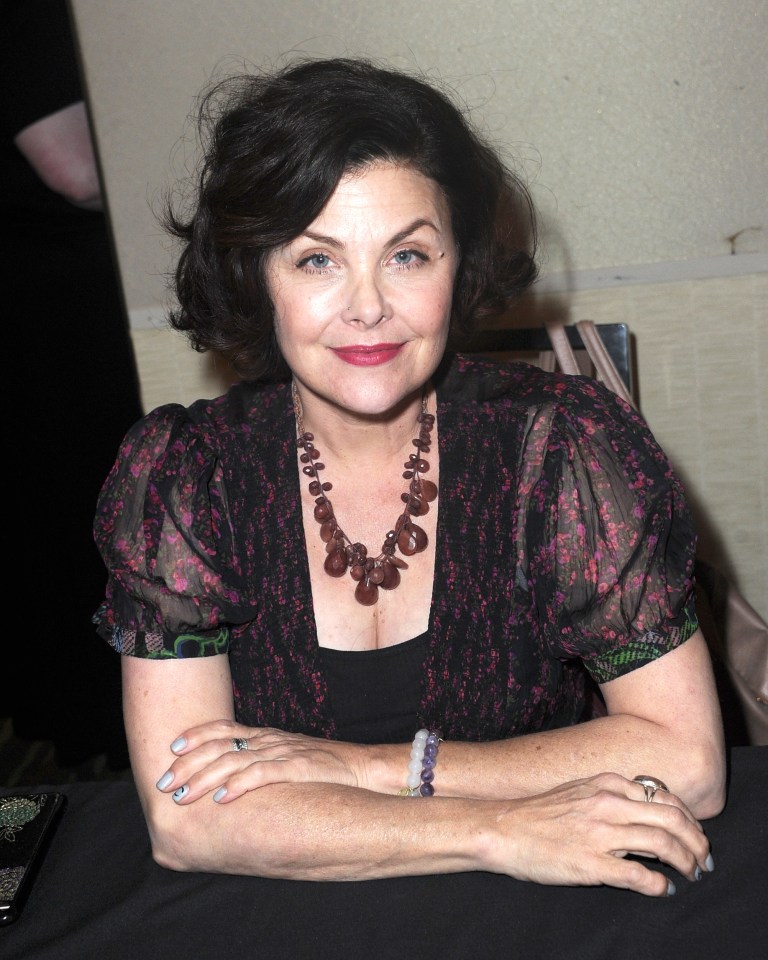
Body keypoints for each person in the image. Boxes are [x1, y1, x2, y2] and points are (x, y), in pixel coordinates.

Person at [93, 57, 725, 899]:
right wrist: (497, 828)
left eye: (408, 256)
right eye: (316, 261)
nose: (366, 307)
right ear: (257, 276)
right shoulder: (185, 475)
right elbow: (187, 818)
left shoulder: (564, 447)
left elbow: (689, 764)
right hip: (292, 913)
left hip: (546, 909)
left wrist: (366, 770)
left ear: (459, 263)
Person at [1, 0, 143, 772]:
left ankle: (101, 742)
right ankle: (117, 745)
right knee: (91, 520)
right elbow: (76, 168)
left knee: (63, 525)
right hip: (60, 295)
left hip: (41, 290)